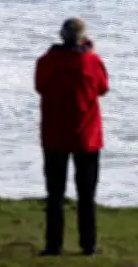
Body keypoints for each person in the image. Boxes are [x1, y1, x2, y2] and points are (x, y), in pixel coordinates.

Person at [34, 17, 109, 256]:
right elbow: (103, 88)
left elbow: (39, 86)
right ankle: (89, 244)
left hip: (55, 134)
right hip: (86, 136)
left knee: (55, 194)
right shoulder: (92, 61)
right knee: (86, 195)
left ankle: (53, 245)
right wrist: (91, 52)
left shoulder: (47, 61)